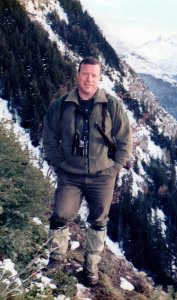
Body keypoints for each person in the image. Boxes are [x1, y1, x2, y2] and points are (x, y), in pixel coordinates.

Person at [43, 56, 133, 285]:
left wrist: (115, 167)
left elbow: (125, 140)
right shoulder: (61, 105)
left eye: (94, 75)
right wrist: (59, 164)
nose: (89, 79)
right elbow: (49, 138)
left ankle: (91, 268)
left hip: (103, 176)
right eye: (85, 74)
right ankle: (56, 260)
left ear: (100, 77)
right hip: (69, 175)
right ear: (77, 75)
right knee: (60, 215)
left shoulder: (112, 105)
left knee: (98, 220)